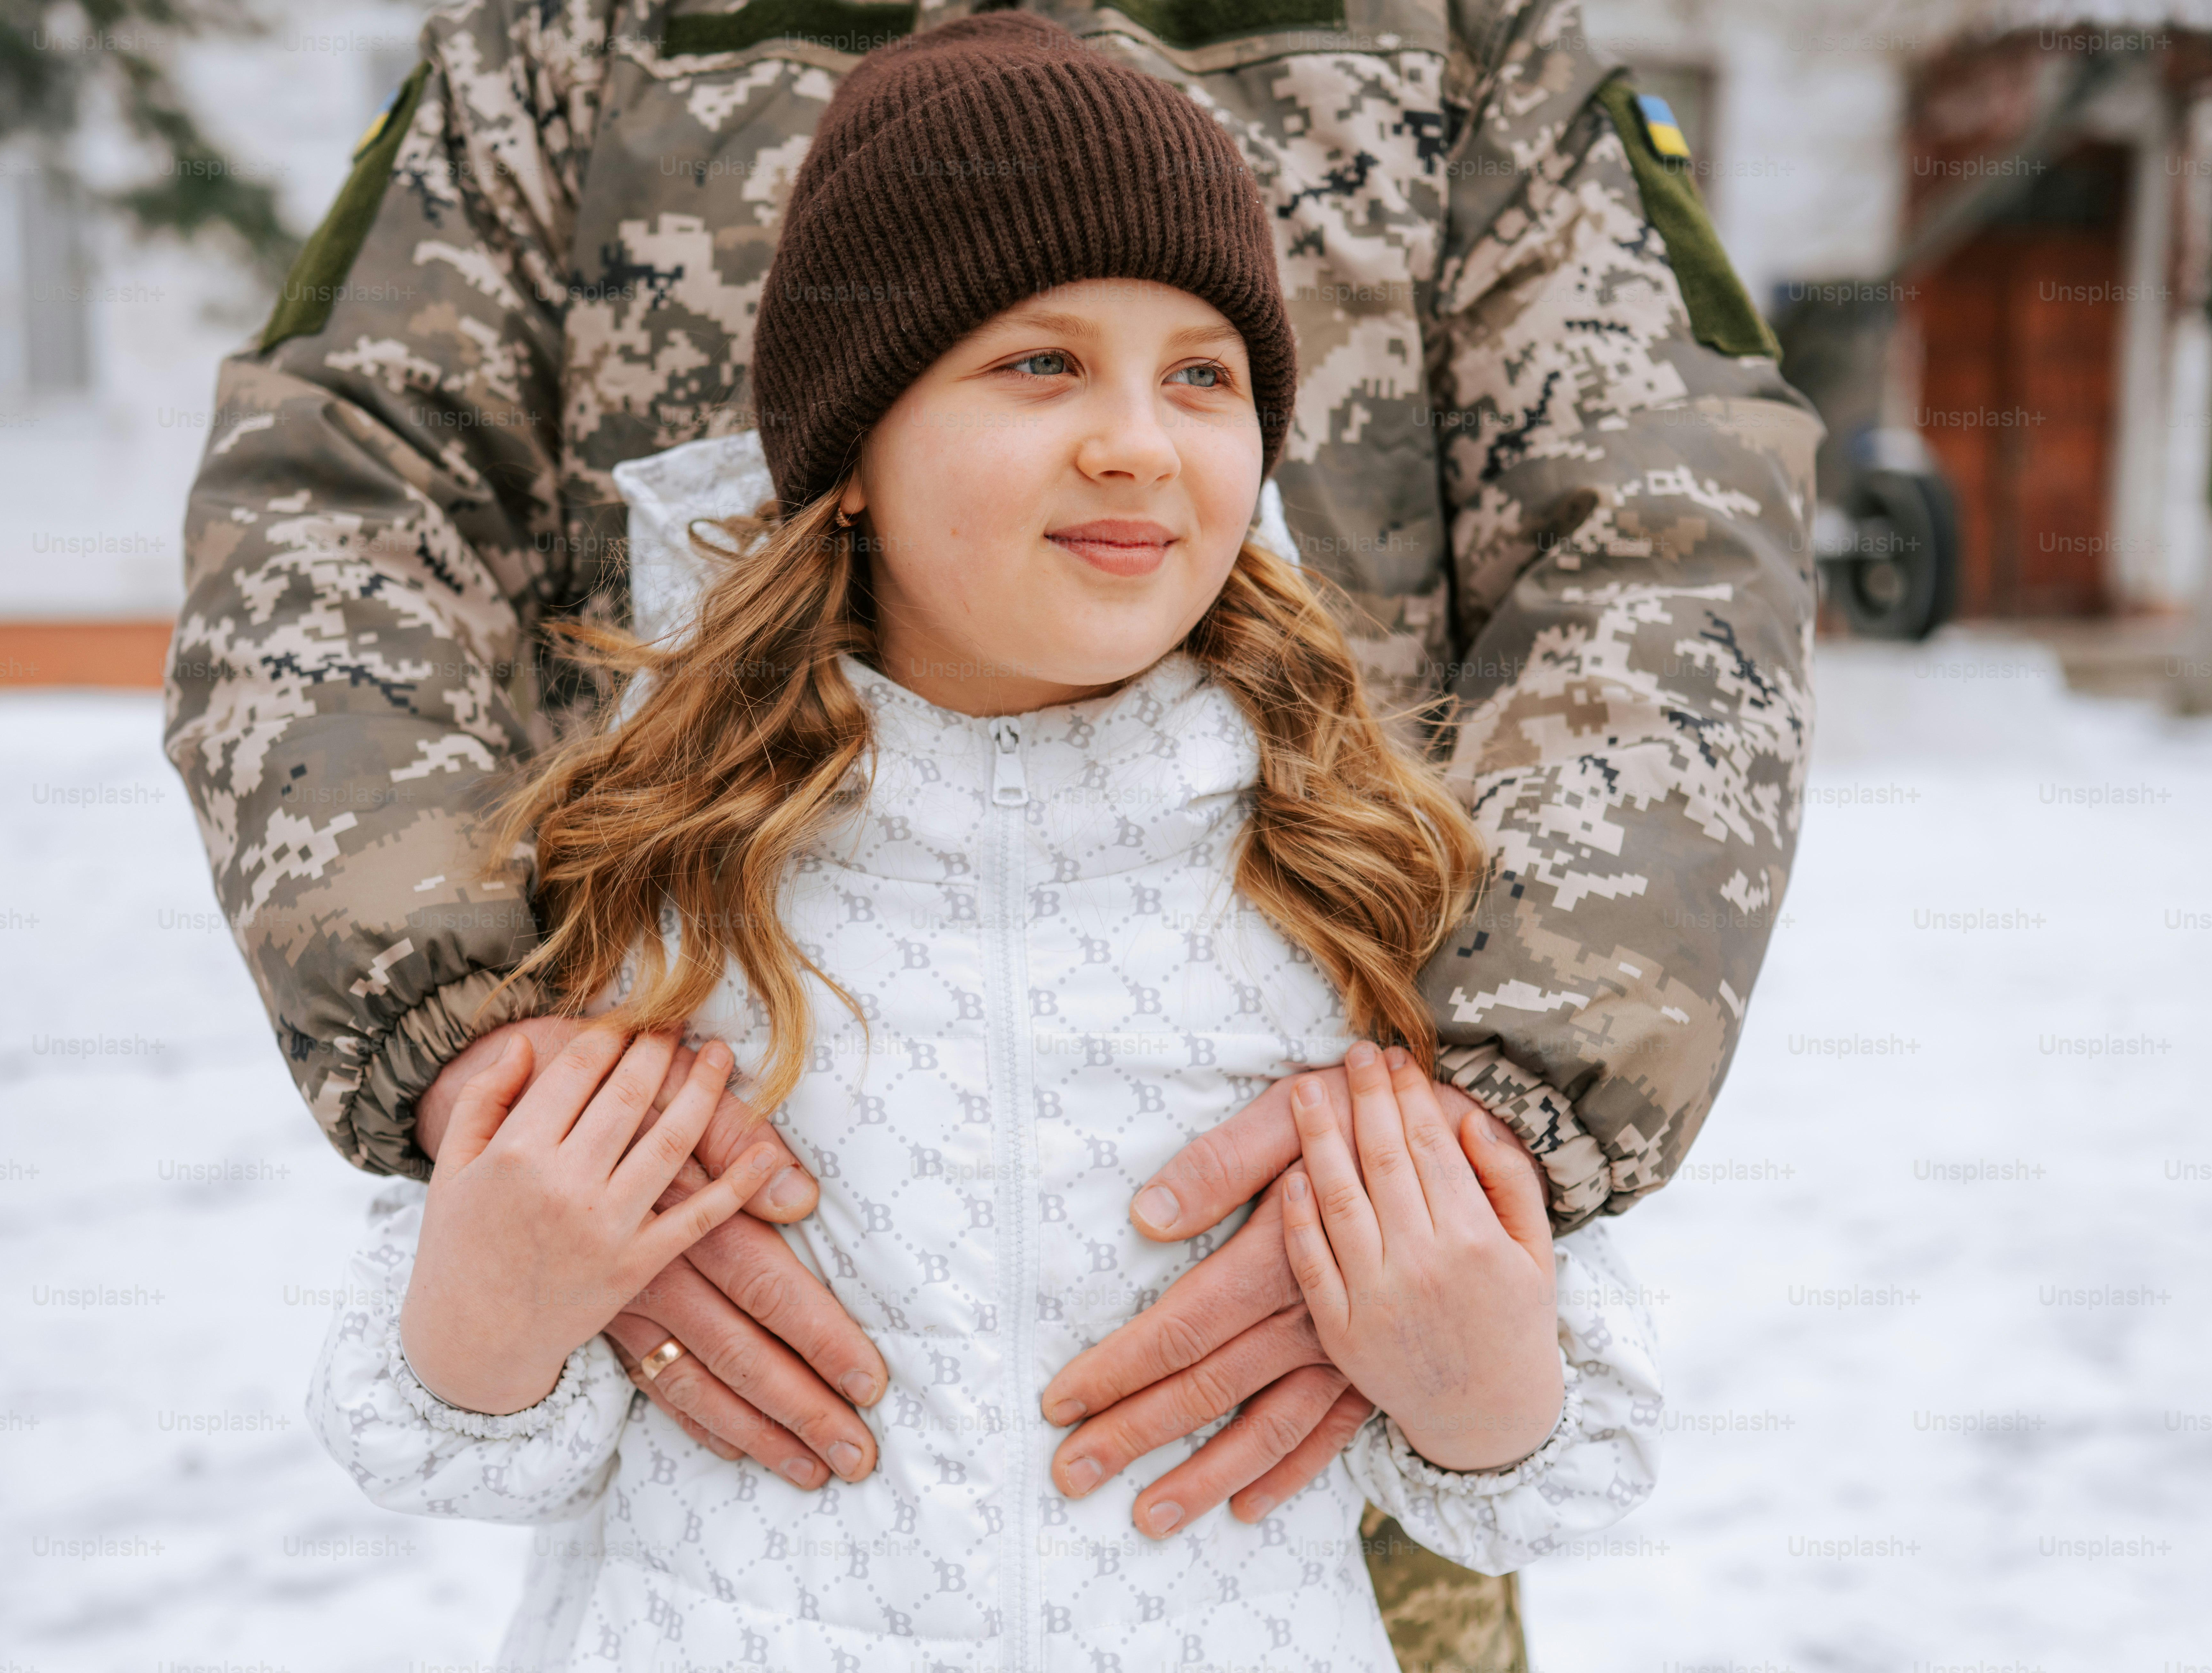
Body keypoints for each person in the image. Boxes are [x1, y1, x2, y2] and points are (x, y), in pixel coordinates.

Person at [164, 0, 1817, 1659]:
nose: (1130, 441)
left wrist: (1481, 1144)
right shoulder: (581, 26)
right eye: (1038, 363)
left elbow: (1671, 533)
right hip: (710, 1442)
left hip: (1326, 1380)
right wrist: (488, 1076)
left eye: (1199, 379)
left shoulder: (1452, 22)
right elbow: (343, 496)